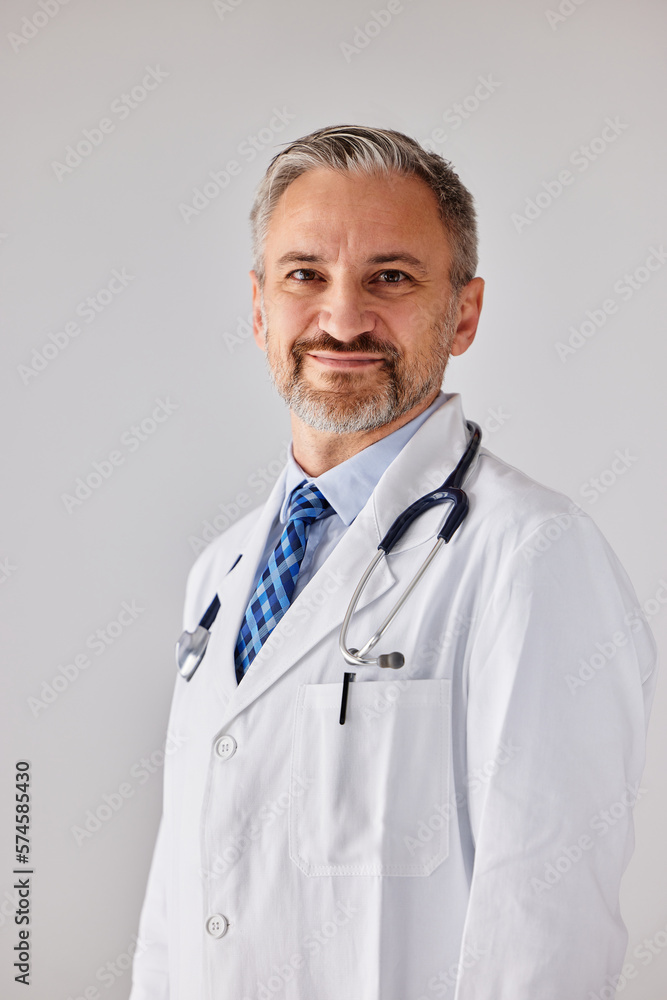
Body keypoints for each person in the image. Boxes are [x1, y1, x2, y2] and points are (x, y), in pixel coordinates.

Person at [129, 125, 657, 1000]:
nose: (342, 318)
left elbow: (544, 929)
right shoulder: (221, 575)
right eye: (306, 275)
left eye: (392, 278)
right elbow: (176, 908)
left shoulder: (529, 556)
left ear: (464, 312)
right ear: (259, 307)